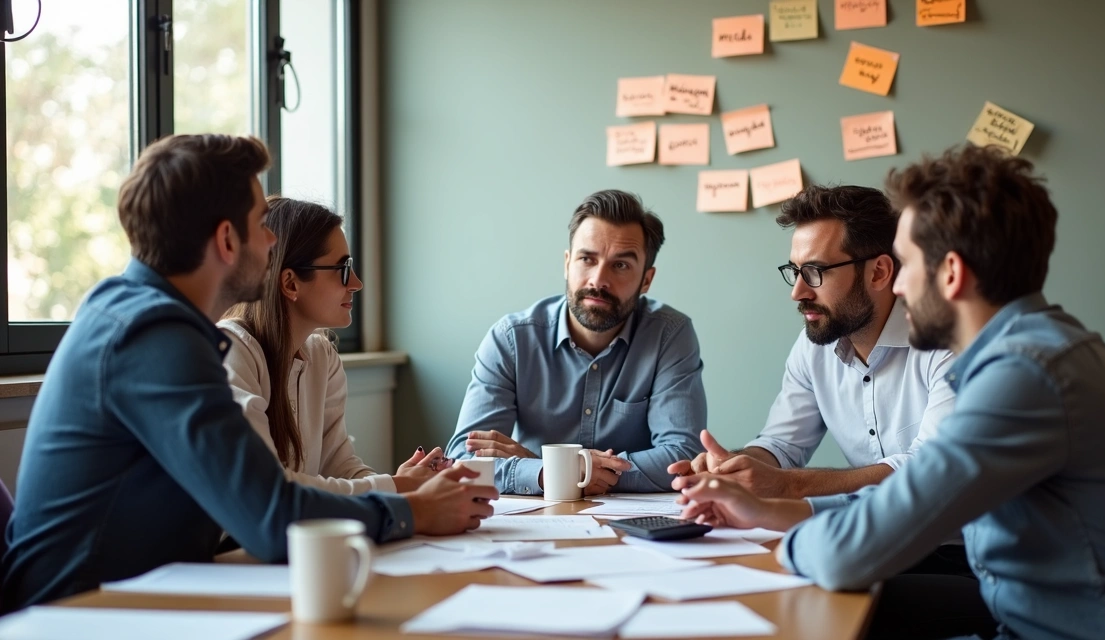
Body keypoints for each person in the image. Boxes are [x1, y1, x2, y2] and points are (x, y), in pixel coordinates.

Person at [677, 145, 1105, 639]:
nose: (899, 286)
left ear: (950, 273)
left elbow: (850, 552)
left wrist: (782, 521)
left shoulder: (1024, 374)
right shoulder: (1034, 350)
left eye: (906, 265)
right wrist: (767, 511)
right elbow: (908, 499)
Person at [1, 134, 495, 613]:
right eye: (263, 223)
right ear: (226, 239)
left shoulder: (144, 318)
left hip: (141, 598)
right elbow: (270, 516)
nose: (272, 239)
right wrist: (415, 511)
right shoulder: (153, 334)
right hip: (80, 615)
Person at [669, 185, 955, 501]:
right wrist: (732, 468)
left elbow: (929, 470)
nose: (798, 292)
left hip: (950, 543)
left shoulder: (945, 342)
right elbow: (781, 445)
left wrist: (788, 485)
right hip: (869, 533)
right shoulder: (814, 346)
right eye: (795, 271)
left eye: (815, 271)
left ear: (879, 273)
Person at [445, 189, 706, 495]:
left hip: (636, 530)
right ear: (568, 263)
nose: (598, 279)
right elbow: (464, 461)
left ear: (646, 280)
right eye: (587, 259)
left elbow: (682, 457)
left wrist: (558, 470)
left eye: (620, 265)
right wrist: (554, 472)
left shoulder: (669, 334)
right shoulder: (511, 339)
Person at [220, 197, 446, 495]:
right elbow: (267, 488)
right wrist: (394, 487)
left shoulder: (322, 355)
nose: (356, 283)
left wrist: (406, 487)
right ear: (290, 283)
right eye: (342, 269)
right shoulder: (231, 352)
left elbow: (339, 468)